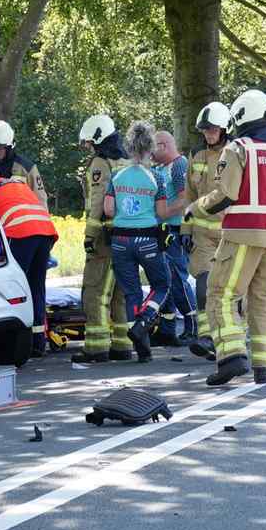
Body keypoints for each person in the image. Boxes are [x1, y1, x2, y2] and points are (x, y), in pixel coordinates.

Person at [167, 89, 266, 386]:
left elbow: (224, 195)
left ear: (241, 117)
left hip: (241, 237)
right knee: (265, 302)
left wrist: (194, 209)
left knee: (221, 295)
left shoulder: (239, 148)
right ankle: (264, 367)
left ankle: (231, 358)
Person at [101, 122, 172, 364]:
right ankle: (145, 320)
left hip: (120, 240)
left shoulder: (117, 176)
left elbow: (108, 210)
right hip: (147, 239)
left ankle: (143, 349)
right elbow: (162, 212)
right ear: (150, 149)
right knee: (162, 285)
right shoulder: (157, 177)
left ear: (130, 148)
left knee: (131, 292)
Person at [0, 164, 57, 357]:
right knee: (36, 287)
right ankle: (38, 342)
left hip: (20, 233)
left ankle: (2, 344)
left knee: (13, 289)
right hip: (45, 232)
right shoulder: (18, 184)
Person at [76, 115, 131, 365]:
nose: (88, 147)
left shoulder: (100, 162)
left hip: (106, 237)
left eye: (89, 142)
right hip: (130, 235)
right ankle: (122, 344)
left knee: (95, 291)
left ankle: (96, 347)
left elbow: (97, 200)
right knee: (121, 292)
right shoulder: (127, 160)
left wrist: (90, 235)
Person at [184, 102, 230, 361]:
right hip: (202, 232)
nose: (208, 134)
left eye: (212, 130)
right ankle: (206, 337)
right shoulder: (197, 156)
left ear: (224, 129)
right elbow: (189, 195)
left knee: (227, 288)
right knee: (204, 283)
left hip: (230, 231)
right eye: (204, 131)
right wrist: (185, 229)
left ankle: (228, 337)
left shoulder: (235, 153)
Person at [151, 130, 198, 347]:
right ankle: (167, 328)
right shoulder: (160, 168)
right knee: (163, 279)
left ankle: (192, 325)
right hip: (162, 229)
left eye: (153, 147)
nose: (150, 152)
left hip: (176, 229)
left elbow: (185, 198)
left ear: (164, 145)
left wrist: (163, 213)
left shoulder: (179, 165)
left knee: (178, 278)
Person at [0, 121, 46, 204]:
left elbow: (41, 198)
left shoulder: (26, 167)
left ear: (11, 146)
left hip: (19, 214)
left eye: (1, 147)